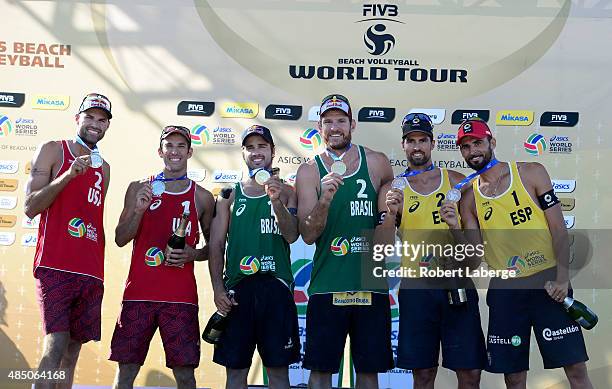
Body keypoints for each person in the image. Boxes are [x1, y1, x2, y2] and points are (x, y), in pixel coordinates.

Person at [442, 118, 593, 389]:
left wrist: (562, 277)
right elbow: (474, 257)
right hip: (506, 290)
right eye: (465, 147)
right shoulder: (469, 198)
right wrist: (455, 227)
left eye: (477, 142)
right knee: (513, 377)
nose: (472, 150)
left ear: (492, 142)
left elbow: (558, 228)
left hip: (547, 282)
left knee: (575, 368)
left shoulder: (531, 172)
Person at [376, 113, 486, 389]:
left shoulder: (459, 182)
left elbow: (474, 256)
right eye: (411, 141)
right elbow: (380, 247)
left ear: (432, 143)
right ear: (403, 145)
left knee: (470, 374)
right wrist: (390, 213)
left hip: (457, 284)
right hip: (417, 289)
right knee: (423, 375)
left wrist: (454, 226)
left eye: (423, 140)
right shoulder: (393, 189)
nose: (417, 147)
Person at [295, 94, 394, 389]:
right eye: (328, 122)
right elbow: (309, 235)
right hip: (327, 286)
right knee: (321, 372)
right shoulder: (309, 171)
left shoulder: (377, 162)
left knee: (368, 372)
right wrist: (325, 199)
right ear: (319, 127)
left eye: (341, 120)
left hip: (370, 285)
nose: (335, 127)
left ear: (353, 124)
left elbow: (387, 229)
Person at [110, 125, 214, 389]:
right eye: (169, 146)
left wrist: (191, 253)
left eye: (181, 146)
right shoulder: (139, 188)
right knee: (126, 371)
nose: (174, 151)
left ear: (190, 152)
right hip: (138, 295)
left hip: (180, 299)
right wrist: (138, 211)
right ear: (160, 151)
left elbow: (213, 248)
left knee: (185, 375)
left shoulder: (201, 197)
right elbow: (121, 238)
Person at [24, 93, 112, 389]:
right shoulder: (52, 149)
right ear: (78, 119)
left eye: (102, 120)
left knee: (72, 352)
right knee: (56, 343)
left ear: (107, 126)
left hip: (89, 272)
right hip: (55, 265)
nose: (95, 124)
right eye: (90, 117)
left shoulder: (105, 168)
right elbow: (30, 207)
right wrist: (67, 177)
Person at [209, 125, 301, 389]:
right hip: (238, 293)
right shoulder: (228, 194)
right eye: (250, 147)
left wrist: (275, 202)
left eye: (262, 146)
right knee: (236, 373)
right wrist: (218, 289)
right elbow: (215, 245)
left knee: (278, 373)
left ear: (273, 151)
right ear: (243, 153)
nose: (256, 152)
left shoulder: (287, 192)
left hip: (276, 289)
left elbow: (292, 235)